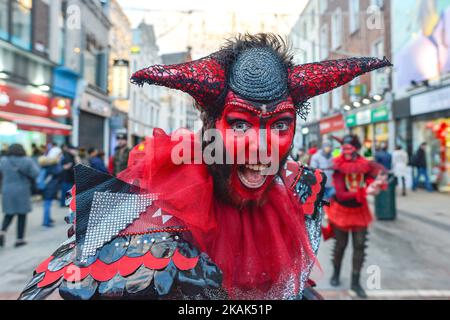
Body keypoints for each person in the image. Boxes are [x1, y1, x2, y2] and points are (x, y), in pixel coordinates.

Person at [19, 33, 391, 300]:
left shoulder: (296, 192)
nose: (262, 148)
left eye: (280, 124)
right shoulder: (148, 210)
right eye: (241, 123)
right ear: (212, 127)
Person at [325, 135, 387, 298]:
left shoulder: (365, 165)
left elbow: (377, 177)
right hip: (341, 211)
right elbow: (341, 194)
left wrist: (377, 184)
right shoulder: (338, 166)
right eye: (344, 148)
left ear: (356, 149)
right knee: (340, 245)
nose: (347, 152)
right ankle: (336, 274)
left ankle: (355, 282)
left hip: (360, 211)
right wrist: (365, 191)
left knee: (359, 246)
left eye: (350, 148)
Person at [0, 144, 39, 247]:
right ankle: (19, 239)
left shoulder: (3, 160)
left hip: (7, 190)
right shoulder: (27, 160)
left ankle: (2, 232)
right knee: (22, 215)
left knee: (9, 213)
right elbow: (36, 173)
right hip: (22, 190)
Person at [38, 148, 63, 228]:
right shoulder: (53, 164)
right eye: (59, 154)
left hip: (47, 186)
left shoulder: (46, 162)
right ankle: (46, 222)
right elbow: (58, 172)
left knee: (47, 204)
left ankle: (48, 219)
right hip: (50, 186)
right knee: (47, 204)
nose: (60, 156)